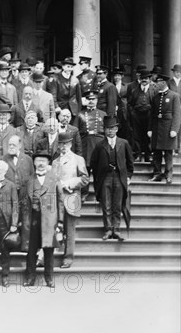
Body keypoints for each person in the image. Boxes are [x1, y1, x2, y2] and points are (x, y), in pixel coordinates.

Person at [21, 150, 64, 288]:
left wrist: (60, 222)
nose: (41, 164)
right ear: (34, 163)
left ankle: (49, 279)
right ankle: (30, 278)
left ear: (48, 163)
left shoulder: (54, 180)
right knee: (31, 250)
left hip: (49, 221)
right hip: (31, 220)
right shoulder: (28, 181)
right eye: (38, 161)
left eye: (43, 161)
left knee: (48, 251)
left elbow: (61, 202)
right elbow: (22, 201)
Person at [90, 116, 134, 240]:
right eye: (108, 128)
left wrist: (128, 177)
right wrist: (98, 178)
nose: (110, 131)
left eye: (113, 128)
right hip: (105, 178)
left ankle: (117, 229)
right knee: (107, 204)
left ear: (117, 129)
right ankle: (108, 229)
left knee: (118, 204)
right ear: (104, 130)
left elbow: (130, 163)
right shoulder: (100, 145)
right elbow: (93, 163)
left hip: (119, 177)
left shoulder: (124, 143)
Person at [51, 132, 89, 268]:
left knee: (70, 230)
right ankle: (47, 257)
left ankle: (68, 257)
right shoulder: (54, 162)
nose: (63, 147)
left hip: (71, 198)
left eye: (66, 144)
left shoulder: (78, 159)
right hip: (56, 200)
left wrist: (70, 183)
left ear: (71, 144)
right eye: (61, 144)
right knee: (54, 228)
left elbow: (85, 178)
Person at [148, 75, 180, 184]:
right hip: (157, 127)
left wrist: (174, 129)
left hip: (168, 128)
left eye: (159, 83)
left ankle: (168, 174)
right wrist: (150, 129)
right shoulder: (156, 97)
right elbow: (152, 115)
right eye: (156, 83)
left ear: (164, 83)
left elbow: (177, 114)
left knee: (168, 153)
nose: (156, 85)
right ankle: (157, 174)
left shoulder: (174, 96)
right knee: (156, 152)